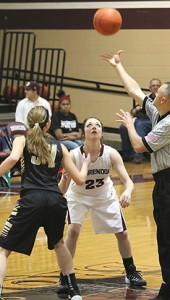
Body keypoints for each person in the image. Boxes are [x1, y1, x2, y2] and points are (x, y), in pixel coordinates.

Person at [0, 106, 91, 300]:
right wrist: (84, 165)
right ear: (48, 123)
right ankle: (74, 291)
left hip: (31, 200)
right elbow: (80, 180)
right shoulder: (61, 146)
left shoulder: (21, 139)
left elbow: (14, 158)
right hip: (55, 200)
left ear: (27, 122)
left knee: (3, 249)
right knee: (58, 243)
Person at [102, 50, 170, 300]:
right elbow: (135, 91)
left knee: (168, 235)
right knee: (163, 233)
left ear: (164, 99)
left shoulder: (168, 123)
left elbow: (140, 146)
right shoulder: (159, 111)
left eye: (158, 92)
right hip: (162, 182)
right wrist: (118, 66)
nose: (153, 94)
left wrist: (130, 125)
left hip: (169, 182)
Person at [56, 117, 147, 297]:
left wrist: (127, 192)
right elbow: (63, 190)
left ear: (101, 132)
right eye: (89, 125)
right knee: (73, 231)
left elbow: (128, 181)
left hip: (104, 195)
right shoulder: (73, 155)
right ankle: (64, 276)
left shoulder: (111, 153)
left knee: (123, 233)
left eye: (97, 124)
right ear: (84, 132)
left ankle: (131, 272)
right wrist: (65, 179)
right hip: (78, 196)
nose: (94, 127)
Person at [120, 78, 161, 163]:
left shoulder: (163, 98)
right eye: (153, 86)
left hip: (153, 121)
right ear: (150, 88)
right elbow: (133, 111)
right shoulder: (146, 97)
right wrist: (136, 109)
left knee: (139, 125)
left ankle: (138, 156)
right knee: (123, 127)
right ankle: (127, 155)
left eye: (157, 86)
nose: (155, 87)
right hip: (139, 119)